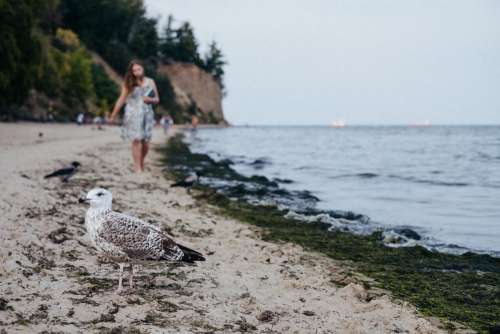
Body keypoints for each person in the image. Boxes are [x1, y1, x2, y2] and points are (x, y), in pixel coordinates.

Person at [109, 59, 160, 173]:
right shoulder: (129, 83)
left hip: (147, 114)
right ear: (131, 72)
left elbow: (157, 99)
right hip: (132, 113)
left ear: (143, 69)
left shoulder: (150, 82)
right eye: (134, 70)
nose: (137, 72)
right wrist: (113, 115)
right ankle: (137, 167)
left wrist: (149, 99)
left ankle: (141, 160)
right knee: (136, 140)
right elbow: (121, 99)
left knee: (146, 143)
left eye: (138, 69)